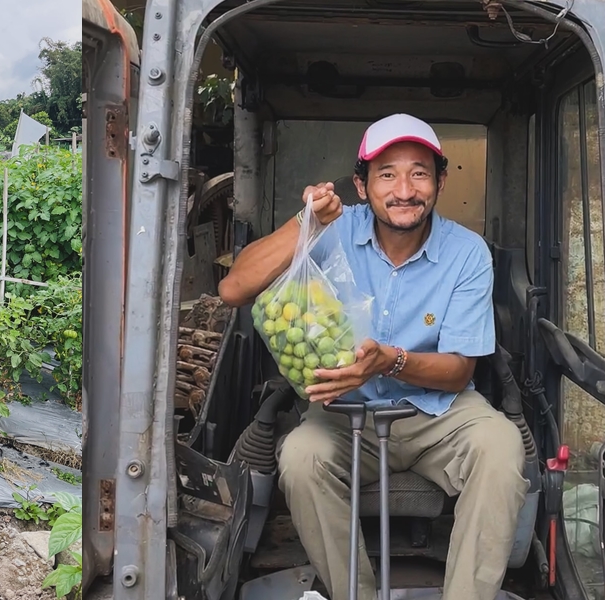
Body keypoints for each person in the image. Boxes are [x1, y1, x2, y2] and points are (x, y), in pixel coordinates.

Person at [218, 113, 529, 600]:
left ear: (440, 182)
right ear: (362, 186)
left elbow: (459, 371)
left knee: (502, 446)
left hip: (438, 414)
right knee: (300, 458)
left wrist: (391, 361)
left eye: (419, 173)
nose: (404, 189)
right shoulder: (333, 232)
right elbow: (234, 288)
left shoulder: (467, 253)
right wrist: (305, 223)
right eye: (387, 174)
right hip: (343, 412)